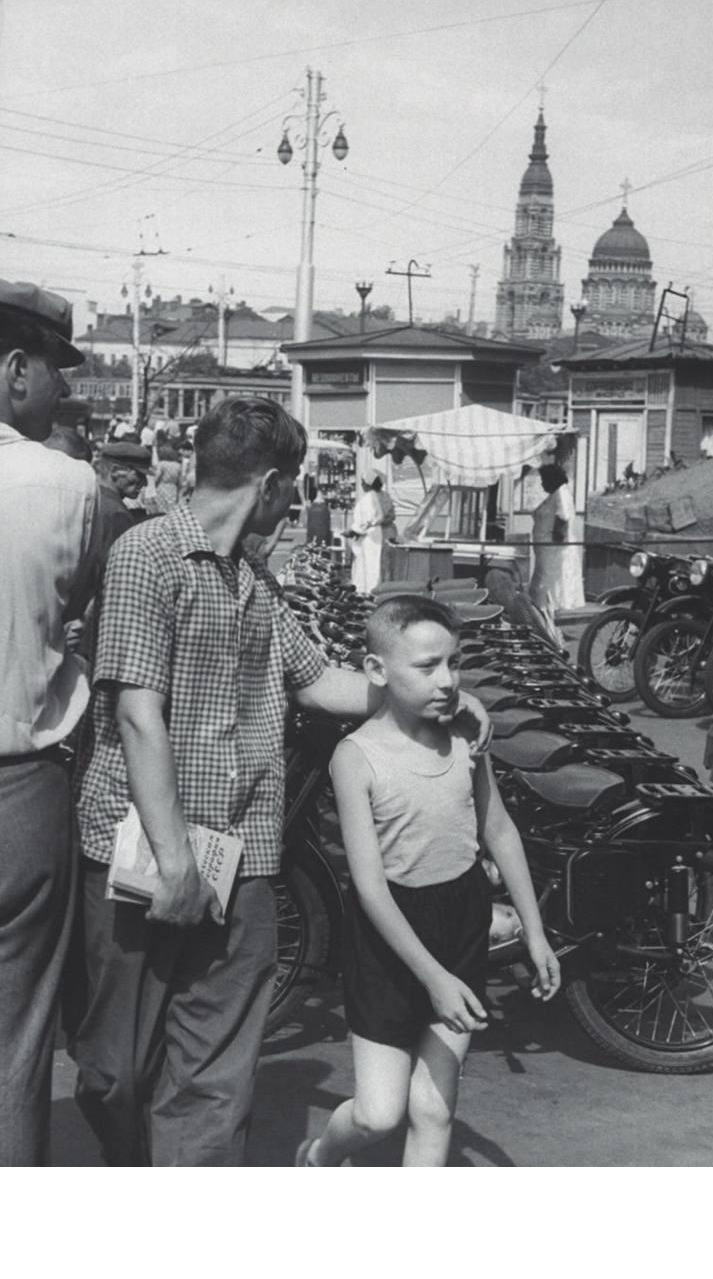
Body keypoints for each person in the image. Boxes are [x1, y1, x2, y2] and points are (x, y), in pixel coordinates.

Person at [68, 396, 492, 1167]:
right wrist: (176, 861)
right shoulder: (145, 556)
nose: (293, 501)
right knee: (113, 1073)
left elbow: (319, 680)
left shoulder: (252, 579)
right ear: (269, 484)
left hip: (244, 860)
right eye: (291, 485)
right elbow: (137, 715)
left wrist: (434, 696)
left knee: (214, 1080)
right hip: (142, 861)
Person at [296, 596, 561, 1168]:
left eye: (453, 663)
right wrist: (434, 979)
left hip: (459, 921)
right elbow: (370, 887)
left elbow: (499, 831)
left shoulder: (466, 737)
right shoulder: (356, 757)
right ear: (376, 670)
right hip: (387, 939)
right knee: (378, 1114)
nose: (446, 680)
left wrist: (535, 932)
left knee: (434, 1110)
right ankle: (318, 1157)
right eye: (426, 666)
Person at [0, 278, 100, 1165]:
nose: (63, 388)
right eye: (55, 368)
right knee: (17, 1037)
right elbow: (79, 610)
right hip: (19, 792)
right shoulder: (67, 483)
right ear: (15, 370)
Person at [528, 462, 585, 613]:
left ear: (551, 479)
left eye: (543, 480)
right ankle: (544, 611)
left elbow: (563, 517)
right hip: (546, 551)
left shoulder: (561, 493)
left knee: (551, 583)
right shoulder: (555, 495)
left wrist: (556, 539)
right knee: (545, 583)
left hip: (554, 551)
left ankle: (549, 611)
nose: (542, 484)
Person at [96, 440, 153, 560]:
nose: (145, 483)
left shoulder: (94, 498)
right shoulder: (117, 513)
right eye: (139, 475)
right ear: (115, 471)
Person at [347, 472, 385, 594]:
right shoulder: (373, 496)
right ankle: (366, 590)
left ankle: (369, 591)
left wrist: (354, 531)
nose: (361, 484)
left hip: (370, 537)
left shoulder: (370, 498)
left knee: (370, 566)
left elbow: (367, 521)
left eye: (363, 482)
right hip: (370, 535)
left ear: (368, 483)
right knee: (367, 565)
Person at [152, 440, 183, 513]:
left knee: (161, 510)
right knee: (172, 509)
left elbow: (157, 478)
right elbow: (180, 482)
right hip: (173, 488)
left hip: (162, 488)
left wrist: (153, 486)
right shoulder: (178, 465)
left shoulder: (161, 464)